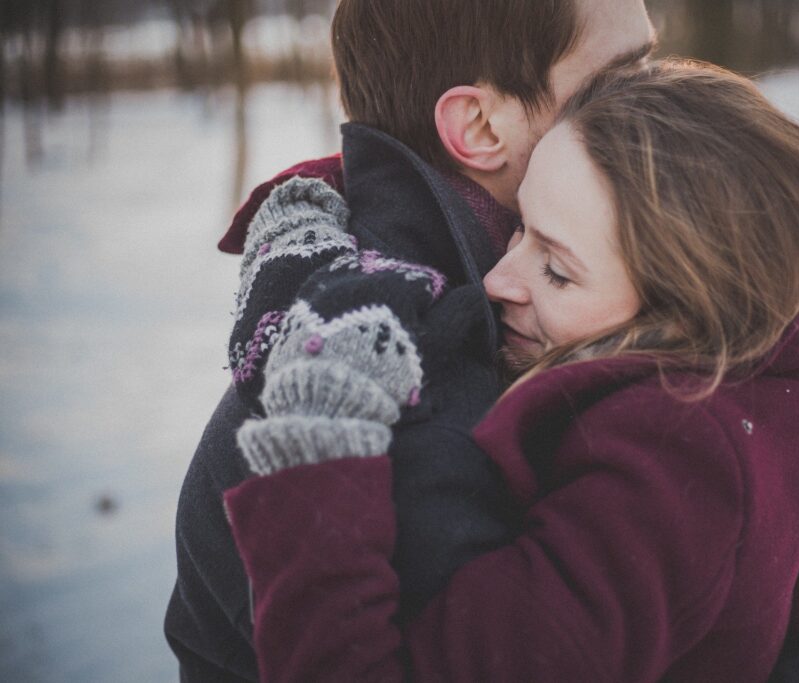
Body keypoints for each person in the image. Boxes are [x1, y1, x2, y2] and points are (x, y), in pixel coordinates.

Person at [221, 59, 799, 682]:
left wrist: (318, 442)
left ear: (684, 317)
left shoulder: (667, 475)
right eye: (519, 227)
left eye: (557, 270)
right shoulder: (765, 388)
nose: (499, 280)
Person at [165, 1, 660, 679]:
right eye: (622, 78)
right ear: (480, 125)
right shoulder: (412, 402)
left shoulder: (502, 300)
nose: (665, 102)